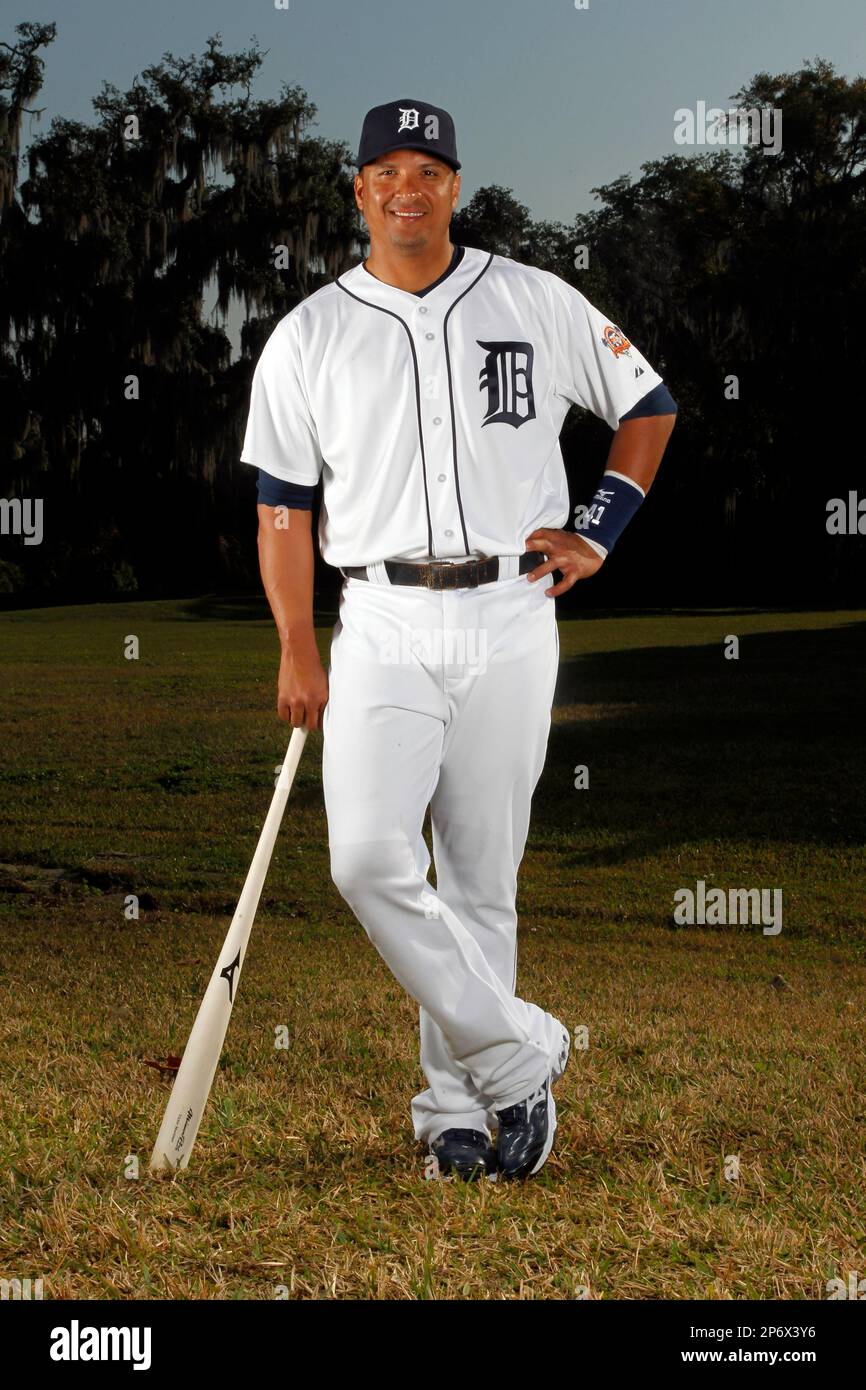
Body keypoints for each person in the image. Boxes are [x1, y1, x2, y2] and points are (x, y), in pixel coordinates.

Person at [240, 98, 677, 1180]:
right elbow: (281, 509)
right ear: (357, 191)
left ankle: (453, 1117)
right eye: (384, 171)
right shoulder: (308, 333)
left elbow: (649, 403)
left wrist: (595, 532)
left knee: (479, 877)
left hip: (510, 609)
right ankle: (522, 1053)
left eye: (425, 169)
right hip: (379, 616)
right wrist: (297, 642)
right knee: (367, 858)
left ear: (453, 184)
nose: (405, 188)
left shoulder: (530, 296)